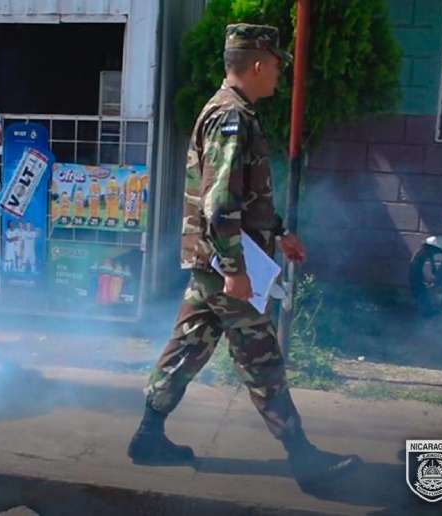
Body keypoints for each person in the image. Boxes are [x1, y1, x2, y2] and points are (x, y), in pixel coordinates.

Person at [127, 24, 361, 487]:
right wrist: (235, 271)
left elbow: (244, 195)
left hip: (215, 259)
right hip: (227, 263)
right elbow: (219, 204)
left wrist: (279, 231)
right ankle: (304, 459)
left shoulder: (235, 112)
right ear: (256, 64)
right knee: (261, 356)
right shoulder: (231, 117)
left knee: (189, 344)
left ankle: (148, 436)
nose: (278, 74)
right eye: (275, 64)